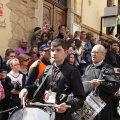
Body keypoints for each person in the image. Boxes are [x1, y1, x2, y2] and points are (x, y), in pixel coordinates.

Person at [19, 39, 85, 120]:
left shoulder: (72, 71)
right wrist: (26, 89)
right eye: (52, 50)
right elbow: (37, 85)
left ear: (66, 52)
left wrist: (67, 107)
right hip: (43, 113)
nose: (54, 53)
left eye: (58, 50)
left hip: (61, 116)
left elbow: (80, 97)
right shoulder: (48, 69)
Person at [82, 44, 120, 120]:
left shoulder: (107, 68)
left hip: (101, 107)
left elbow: (115, 86)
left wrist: (100, 84)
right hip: (88, 105)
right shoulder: (88, 67)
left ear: (103, 55)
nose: (93, 54)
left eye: (96, 52)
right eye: (92, 52)